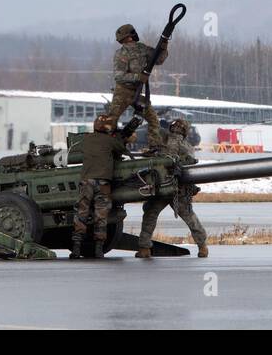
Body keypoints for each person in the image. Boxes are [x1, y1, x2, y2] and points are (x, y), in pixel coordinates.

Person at [137, 118, 209, 258]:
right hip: (178, 188)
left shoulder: (162, 140)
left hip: (160, 187)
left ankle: (144, 249)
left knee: (150, 216)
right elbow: (190, 163)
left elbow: (153, 156)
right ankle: (202, 247)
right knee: (190, 218)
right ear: (185, 131)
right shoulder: (187, 146)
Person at [70, 114, 130, 259]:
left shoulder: (87, 139)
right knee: (101, 216)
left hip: (87, 182)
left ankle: (76, 249)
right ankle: (98, 249)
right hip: (103, 183)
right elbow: (122, 149)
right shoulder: (110, 141)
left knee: (81, 213)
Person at [106, 23, 167, 148]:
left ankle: (154, 147)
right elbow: (119, 76)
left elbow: (158, 59)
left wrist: (164, 46)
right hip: (122, 92)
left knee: (153, 120)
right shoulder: (121, 54)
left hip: (137, 92)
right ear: (128, 37)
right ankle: (107, 147)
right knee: (110, 121)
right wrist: (138, 77)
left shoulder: (142, 49)